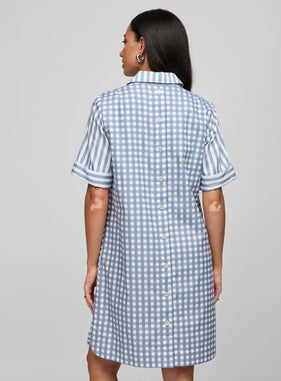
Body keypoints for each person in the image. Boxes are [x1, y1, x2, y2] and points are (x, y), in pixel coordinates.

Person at [70, 8, 237, 381]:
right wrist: (216, 264)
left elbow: (98, 197)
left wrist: (92, 264)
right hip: (188, 261)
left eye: (125, 41)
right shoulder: (203, 112)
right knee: (178, 373)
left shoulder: (107, 107)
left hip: (126, 258)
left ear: (142, 46)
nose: (121, 51)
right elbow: (213, 199)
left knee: (100, 362)